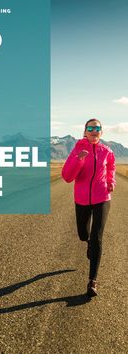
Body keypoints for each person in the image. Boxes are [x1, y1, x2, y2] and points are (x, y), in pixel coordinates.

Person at [61, 119, 116, 297]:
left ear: (101, 132)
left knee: (97, 236)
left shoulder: (107, 151)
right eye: (90, 128)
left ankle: (92, 280)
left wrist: (110, 181)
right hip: (82, 199)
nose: (94, 130)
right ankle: (88, 243)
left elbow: (111, 168)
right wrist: (79, 159)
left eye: (97, 128)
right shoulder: (78, 149)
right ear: (85, 132)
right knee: (84, 234)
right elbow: (67, 177)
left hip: (102, 198)